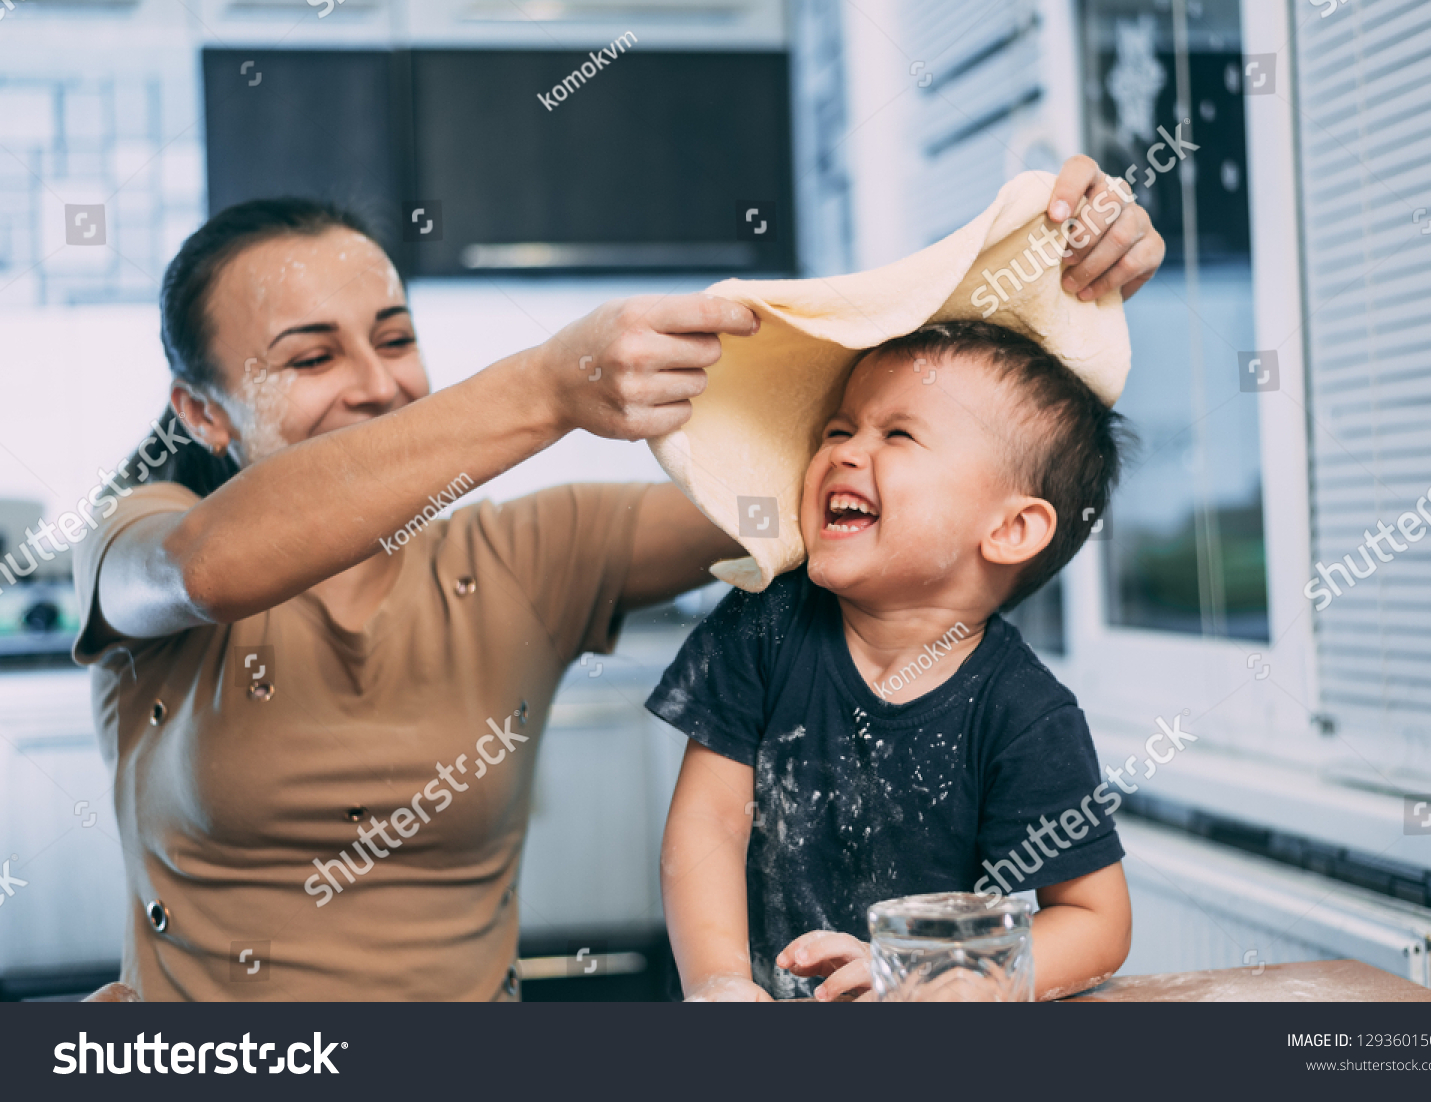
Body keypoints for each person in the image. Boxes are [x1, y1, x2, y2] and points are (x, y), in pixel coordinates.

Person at [76, 158, 1161, 1001]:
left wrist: (1048, 276)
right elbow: (206, 568)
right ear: (202, 414)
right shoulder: (145, 535)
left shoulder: (519, 560)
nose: (377, 385)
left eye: (396, 337)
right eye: (311, 359)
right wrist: (550, 386)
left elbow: (860, 488)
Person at [649, 321, 1134, 1001]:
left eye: (898, 434)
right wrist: (721, 983)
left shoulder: (1025, 714)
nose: (844, 452)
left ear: (1009, 529)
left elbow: (1097, 923)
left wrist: (964, 979)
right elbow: (710, 823)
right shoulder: (762, 625)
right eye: (839, 429)